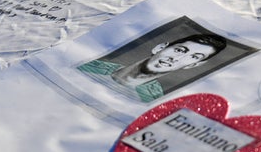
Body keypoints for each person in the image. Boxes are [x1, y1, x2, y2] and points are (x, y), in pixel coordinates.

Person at [77, 34, 227, 102]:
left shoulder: (151, 100)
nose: (175, 58)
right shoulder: (90, 66)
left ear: (193, 65)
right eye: (180, 50)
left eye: (194, 57)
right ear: (160, 47)